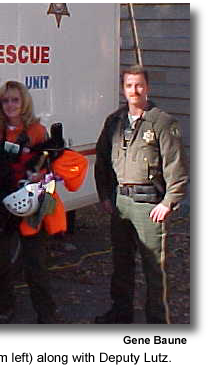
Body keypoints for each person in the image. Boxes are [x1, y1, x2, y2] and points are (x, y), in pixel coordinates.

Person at [94, 65, 188, 324]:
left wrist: (169, 202)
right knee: (121, 263)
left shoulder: (162, 122)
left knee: (153, 269)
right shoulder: (114, 121)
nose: (134, 91)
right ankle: (121, 313)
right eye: (128, 86)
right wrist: (104, 196)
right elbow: (102, 161)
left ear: (147, 87)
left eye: (139, 85)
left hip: (149, 206)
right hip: (121, 203)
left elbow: (176, 167)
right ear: (123, 89)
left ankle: (157, 322)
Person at [0, 81, 72, 324]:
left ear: (24, 104)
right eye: (5, 100)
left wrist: (40, 174)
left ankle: (46, 312)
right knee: (2, 263)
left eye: (15, 100)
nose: (10, 105)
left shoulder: (37, 132)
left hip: (32, 204)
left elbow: (52, 168)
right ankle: (6, 307)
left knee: (35, 263)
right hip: (2, 205)